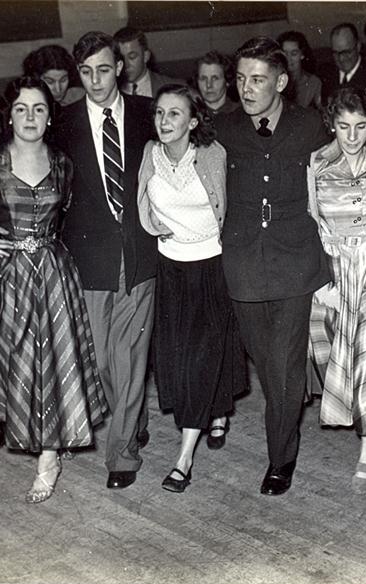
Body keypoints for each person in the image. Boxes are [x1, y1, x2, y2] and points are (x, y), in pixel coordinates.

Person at [0, 76, 108, 502]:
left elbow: (73, 217)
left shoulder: (64, 164)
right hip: (12, 276)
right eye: (21, 109)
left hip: (53, 274)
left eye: (39, 109)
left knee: (56, 360)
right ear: (8, 115)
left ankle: (49, 456)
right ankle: (35, 435)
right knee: (22, 364)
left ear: (50, 116)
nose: (30, 117)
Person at [215, 37, 331, 496]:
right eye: (241, 78)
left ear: (281, 81)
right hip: (242, 263)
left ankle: (280, 458)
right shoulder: (223, 129)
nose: (246, 88)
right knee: (267, 365)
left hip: (295, 261)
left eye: (257, 79)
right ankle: (287, 406)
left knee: (282, 369)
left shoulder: (310, 126)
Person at [55, 31, 156, 489]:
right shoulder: (62, 123)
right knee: (99, 361)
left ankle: (122, 454)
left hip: (140, 252)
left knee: (128, 355)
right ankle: (131, 420)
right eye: (86, 72)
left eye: (103, 69)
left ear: (120, 67)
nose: (96, 80)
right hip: (89, 258)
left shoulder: (146, 115)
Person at [137, 84, 246, 492]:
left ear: (193, 121)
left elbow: (231, 207)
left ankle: (184, 457)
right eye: (160, 114)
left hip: (212, 268)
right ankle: (217, 411)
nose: (165, 122)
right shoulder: (150, 154)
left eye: (175, 115)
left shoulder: (213, 156)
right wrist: (153, 227)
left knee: (202, 359)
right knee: (179, 361)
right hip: (171, 270)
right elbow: (140, 204)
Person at [307, 86, 366, 494]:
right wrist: (320, 280)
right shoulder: (316, 163)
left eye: (360, 126)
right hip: (333, 271)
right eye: (343, 126)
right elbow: (311, 219)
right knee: (332, 359)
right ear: (331, 123)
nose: (352, 136)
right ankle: (358, 426)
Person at [321, 23, 366, 104]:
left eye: (346, 52)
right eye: (336, 53)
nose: (341, 58)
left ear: (358, 46)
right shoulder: (325, 75)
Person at [114, 27, 182, 98]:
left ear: (146, 56)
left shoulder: (176, 88)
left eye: (132, 57)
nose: (126, 65)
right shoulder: (110, 91)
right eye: (120, 58)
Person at [22, 44, 86, 109]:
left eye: (63, 80)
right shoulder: (24, 103)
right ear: (36, 78)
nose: (58, 89)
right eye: (50, 82)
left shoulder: (80, 96)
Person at [278, 30, 322, 109]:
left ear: (302, 55)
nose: (288, 58)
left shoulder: (314, 83)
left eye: (294, 54)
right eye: (285, 53)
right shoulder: (275, 81)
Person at [195, 51, 240, 115]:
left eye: (215, 78)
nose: (208, 85)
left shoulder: (240, 113)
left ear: (227, 81)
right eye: (203, 79)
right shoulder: (191, 115)